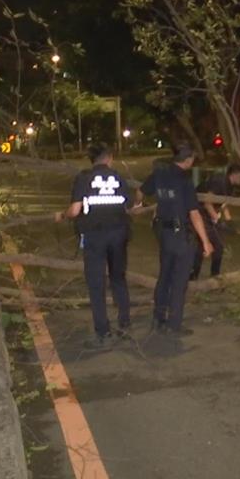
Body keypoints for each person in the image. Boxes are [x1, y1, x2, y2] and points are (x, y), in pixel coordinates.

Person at [55, 143, 133, 345]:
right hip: (118, 235)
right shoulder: (118, 177)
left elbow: (74, 210)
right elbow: (129, 206)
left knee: (96, 283)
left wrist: (62, 215)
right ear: (109, 158)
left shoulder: (83, 178)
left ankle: (103, 331)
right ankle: (124, 323)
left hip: (94, 236)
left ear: (92, 160)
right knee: (118, 278)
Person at [138, 142, 214, 336]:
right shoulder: (184, 180)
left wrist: (139, 204)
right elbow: (194, 213)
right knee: (179, 281)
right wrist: (205, 241)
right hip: (180, 235)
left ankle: (159, 317)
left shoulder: (160, 173)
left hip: (163, 233)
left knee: (164, 276)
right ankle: (174, 324)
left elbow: (141, 191)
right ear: (188, 160)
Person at [191, 164, 240, 280]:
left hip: (205, 214)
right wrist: (217, 219)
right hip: (198, 212)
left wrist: (229, 220)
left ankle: (195, 275)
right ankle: (211, 276)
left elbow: (223, 204)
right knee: (216, 246)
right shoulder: (219, 182)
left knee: (202, 246)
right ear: (234, 175)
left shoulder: (230, 186)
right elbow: (207, 202)